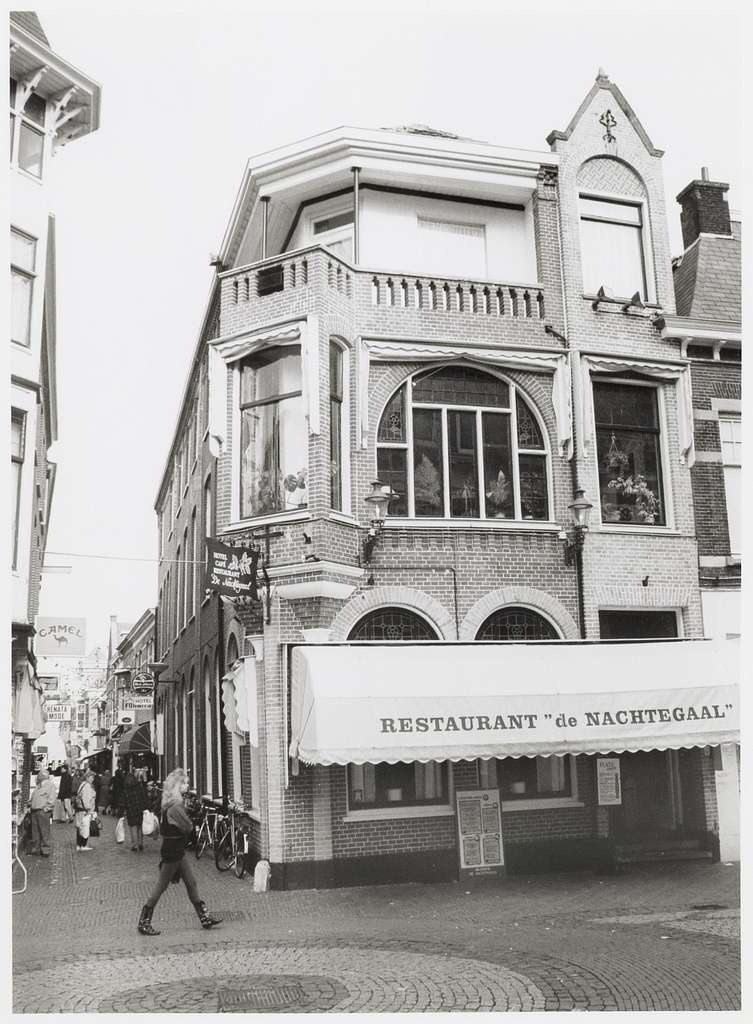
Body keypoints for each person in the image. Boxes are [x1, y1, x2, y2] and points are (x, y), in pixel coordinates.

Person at [137, 768, 222, 936]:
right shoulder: (176, 805)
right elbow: (188, 827)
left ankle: (204, 916)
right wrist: (190, 816)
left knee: (191, 882)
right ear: (178, 785)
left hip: (175, 848)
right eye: (185, 783)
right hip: (173, 850)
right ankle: (144, 921)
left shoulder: (168, 803)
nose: (188, 785)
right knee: (161, 886)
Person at [29, 769, 56, 856]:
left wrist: (46, 809)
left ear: (43, 776)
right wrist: (30, 803)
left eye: (39, 775)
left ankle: (45, 850)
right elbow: (34, 796)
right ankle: (36, 849)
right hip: (34, 811)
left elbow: (52, 799)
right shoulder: (38, 785)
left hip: (42, 811)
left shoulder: (50, 785)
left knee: (44, 831)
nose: (37, 776)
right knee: (35, 831)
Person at [123, 766, 146, 851]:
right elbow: (144, 798)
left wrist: (121, 812)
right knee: (140, 827)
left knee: (133, 827)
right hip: (140, 809)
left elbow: (123, 802)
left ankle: (135, 845)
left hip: (131, 811)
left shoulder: (126, 790)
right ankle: (140, 843)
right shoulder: (139, 787)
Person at [74, 770, 97, 851]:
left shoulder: (83, 784)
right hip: (85, 810)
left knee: (80, 827)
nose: (93, 779)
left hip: (79, 809)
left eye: (93, 777)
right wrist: (88, 809)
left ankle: (79, 845)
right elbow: (86, 798)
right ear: (87, 777)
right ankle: (83, 845)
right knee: (85, 827)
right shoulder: (87, 786)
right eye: (91, 777)